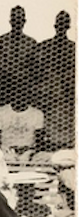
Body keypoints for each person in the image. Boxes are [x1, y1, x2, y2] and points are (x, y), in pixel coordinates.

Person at [36, 11, 76, 151]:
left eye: (65, 23)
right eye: (59, 23)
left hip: (66, 96)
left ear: (68, 26)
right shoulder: (45, 46)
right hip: (47, 95)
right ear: (55, 25)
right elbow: (38, 70)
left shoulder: (73, 47)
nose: (61, 26)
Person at [0, 96, 44, 162]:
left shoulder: (37, 114)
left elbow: (40, 139)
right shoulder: (0, 112)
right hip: (6, 151)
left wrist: (31, 152)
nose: (19, 98)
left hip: (29, 152)